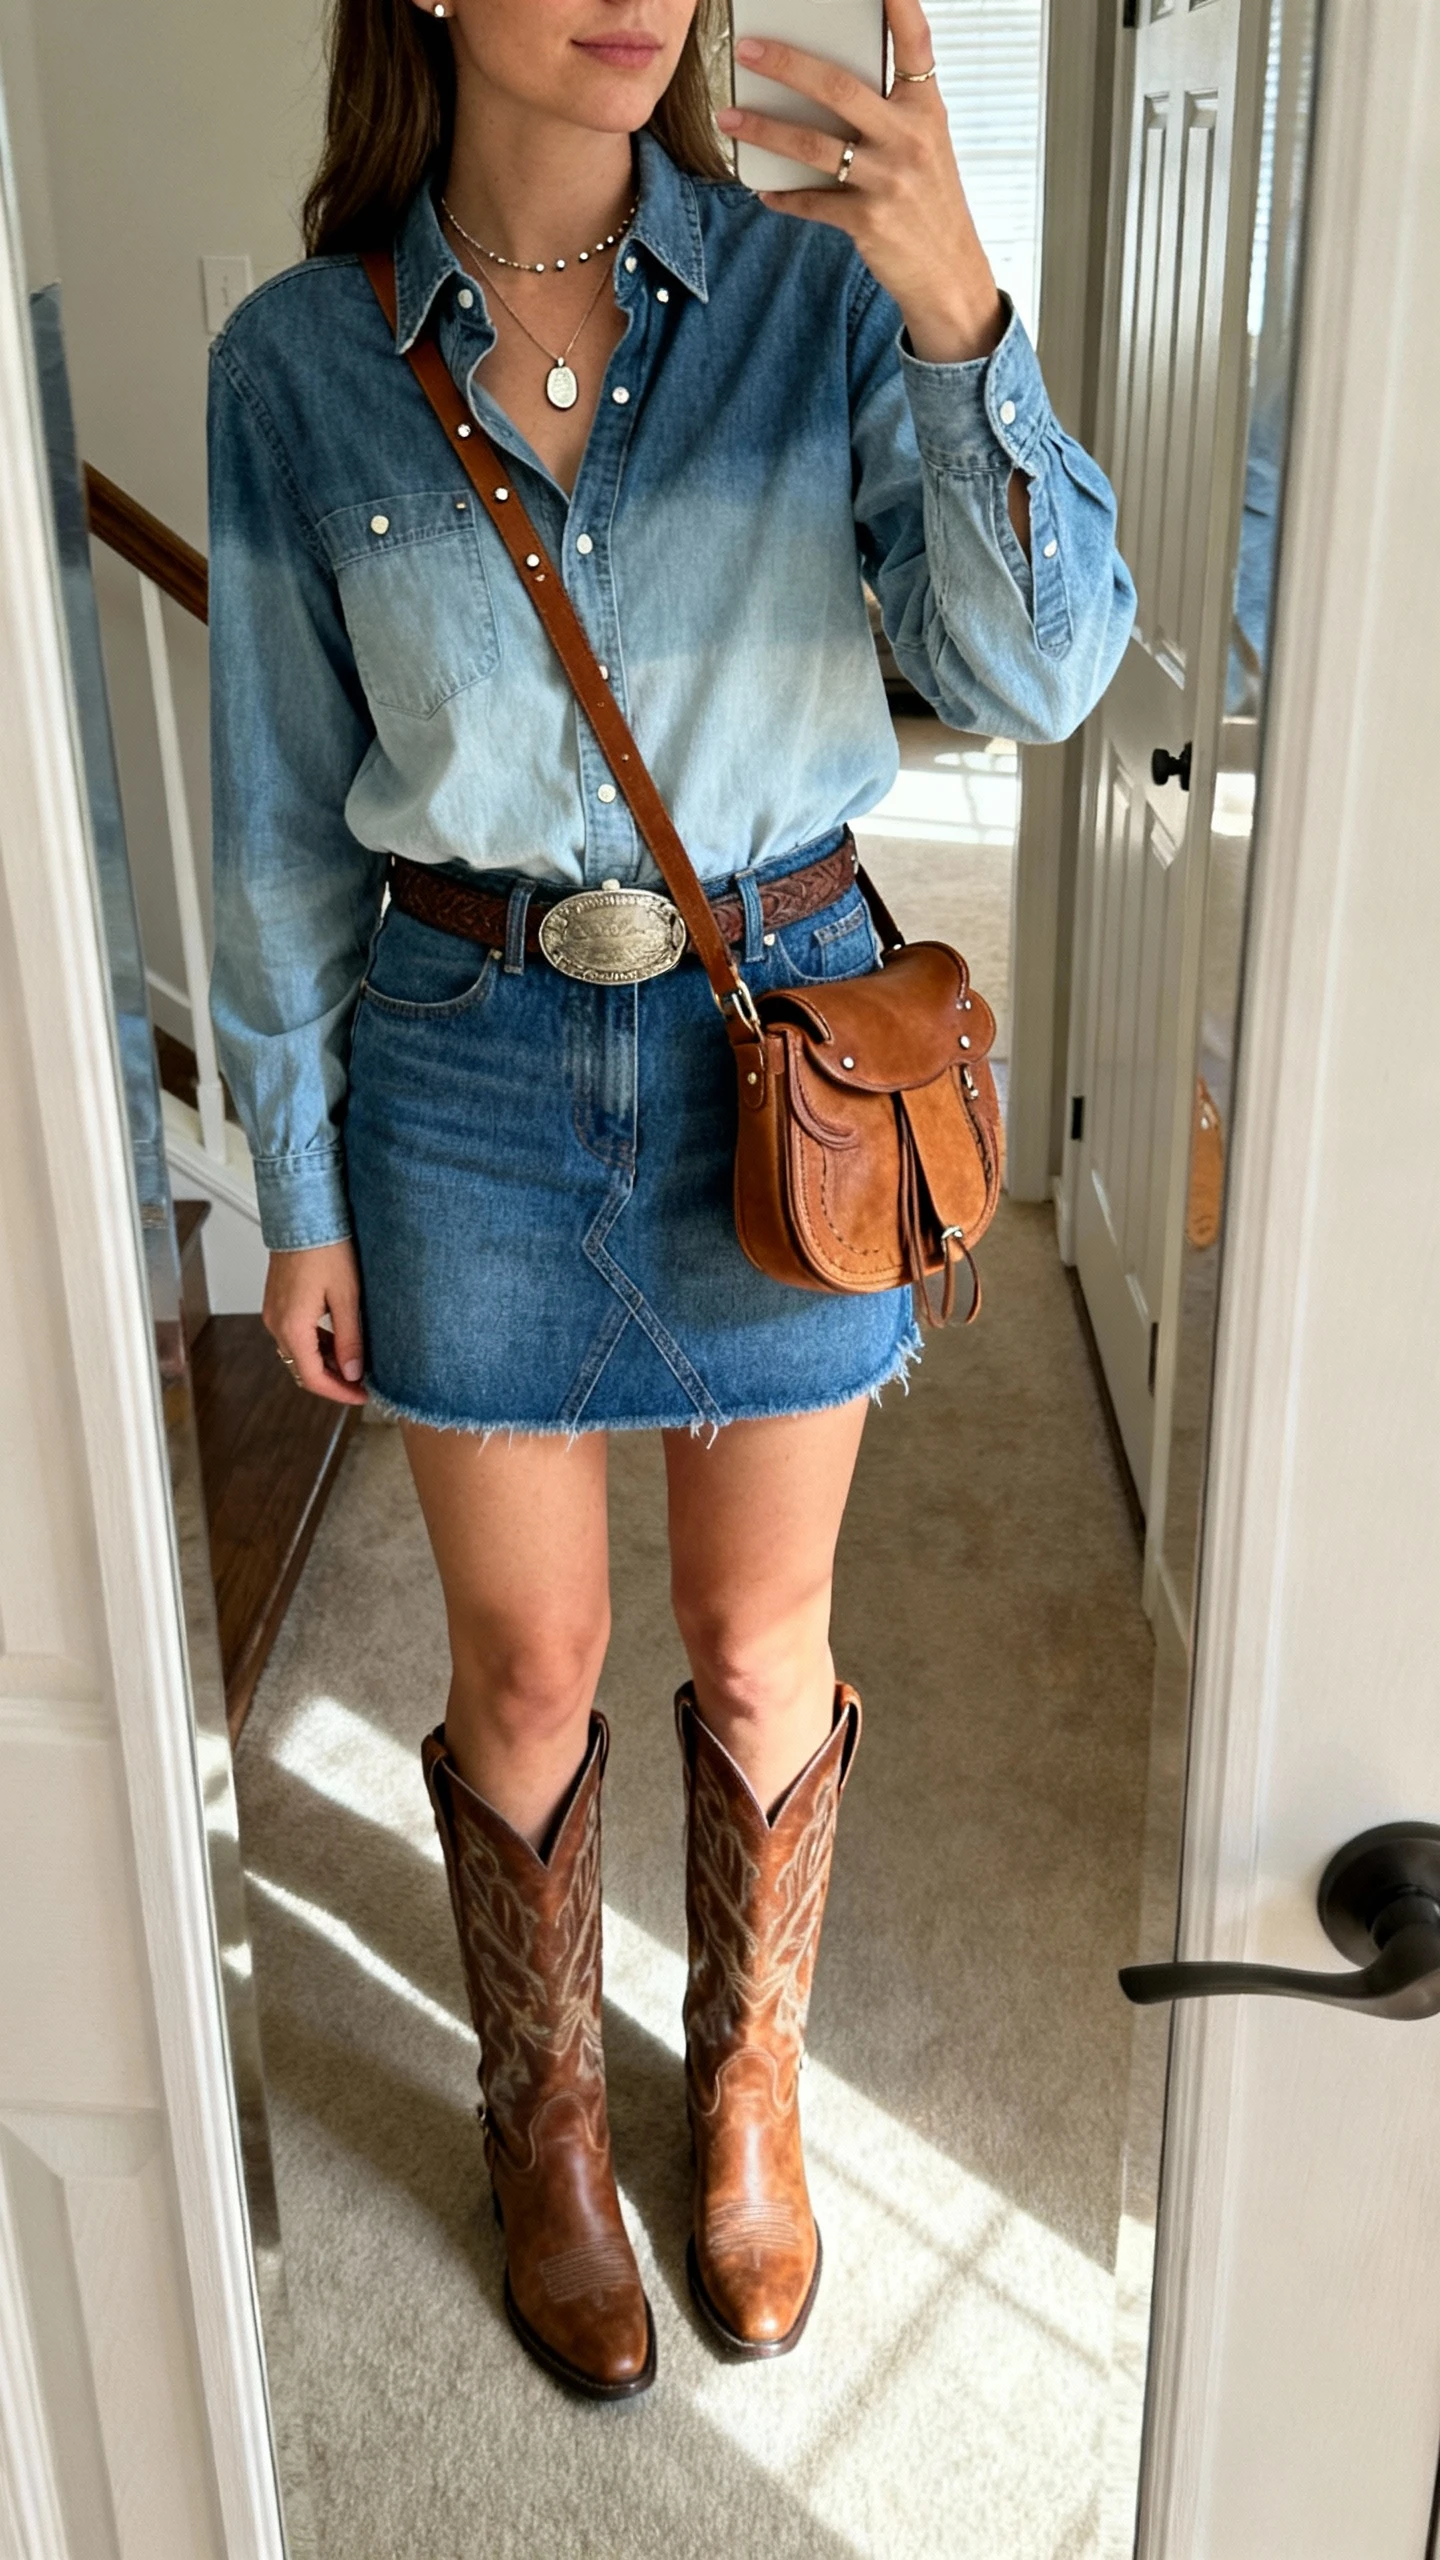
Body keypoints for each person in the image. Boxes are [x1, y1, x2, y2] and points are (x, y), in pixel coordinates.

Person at [208, 0, 1134, 2401]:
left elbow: (1038, 669)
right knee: (526, 1667)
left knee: (758, 1645)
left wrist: (964, 312)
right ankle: (545, 2109)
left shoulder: (826, 307)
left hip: (774, 1060)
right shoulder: (299, 365)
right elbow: (286, 813)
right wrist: (296, 1180)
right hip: (461, 1068)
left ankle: (743, 2081)